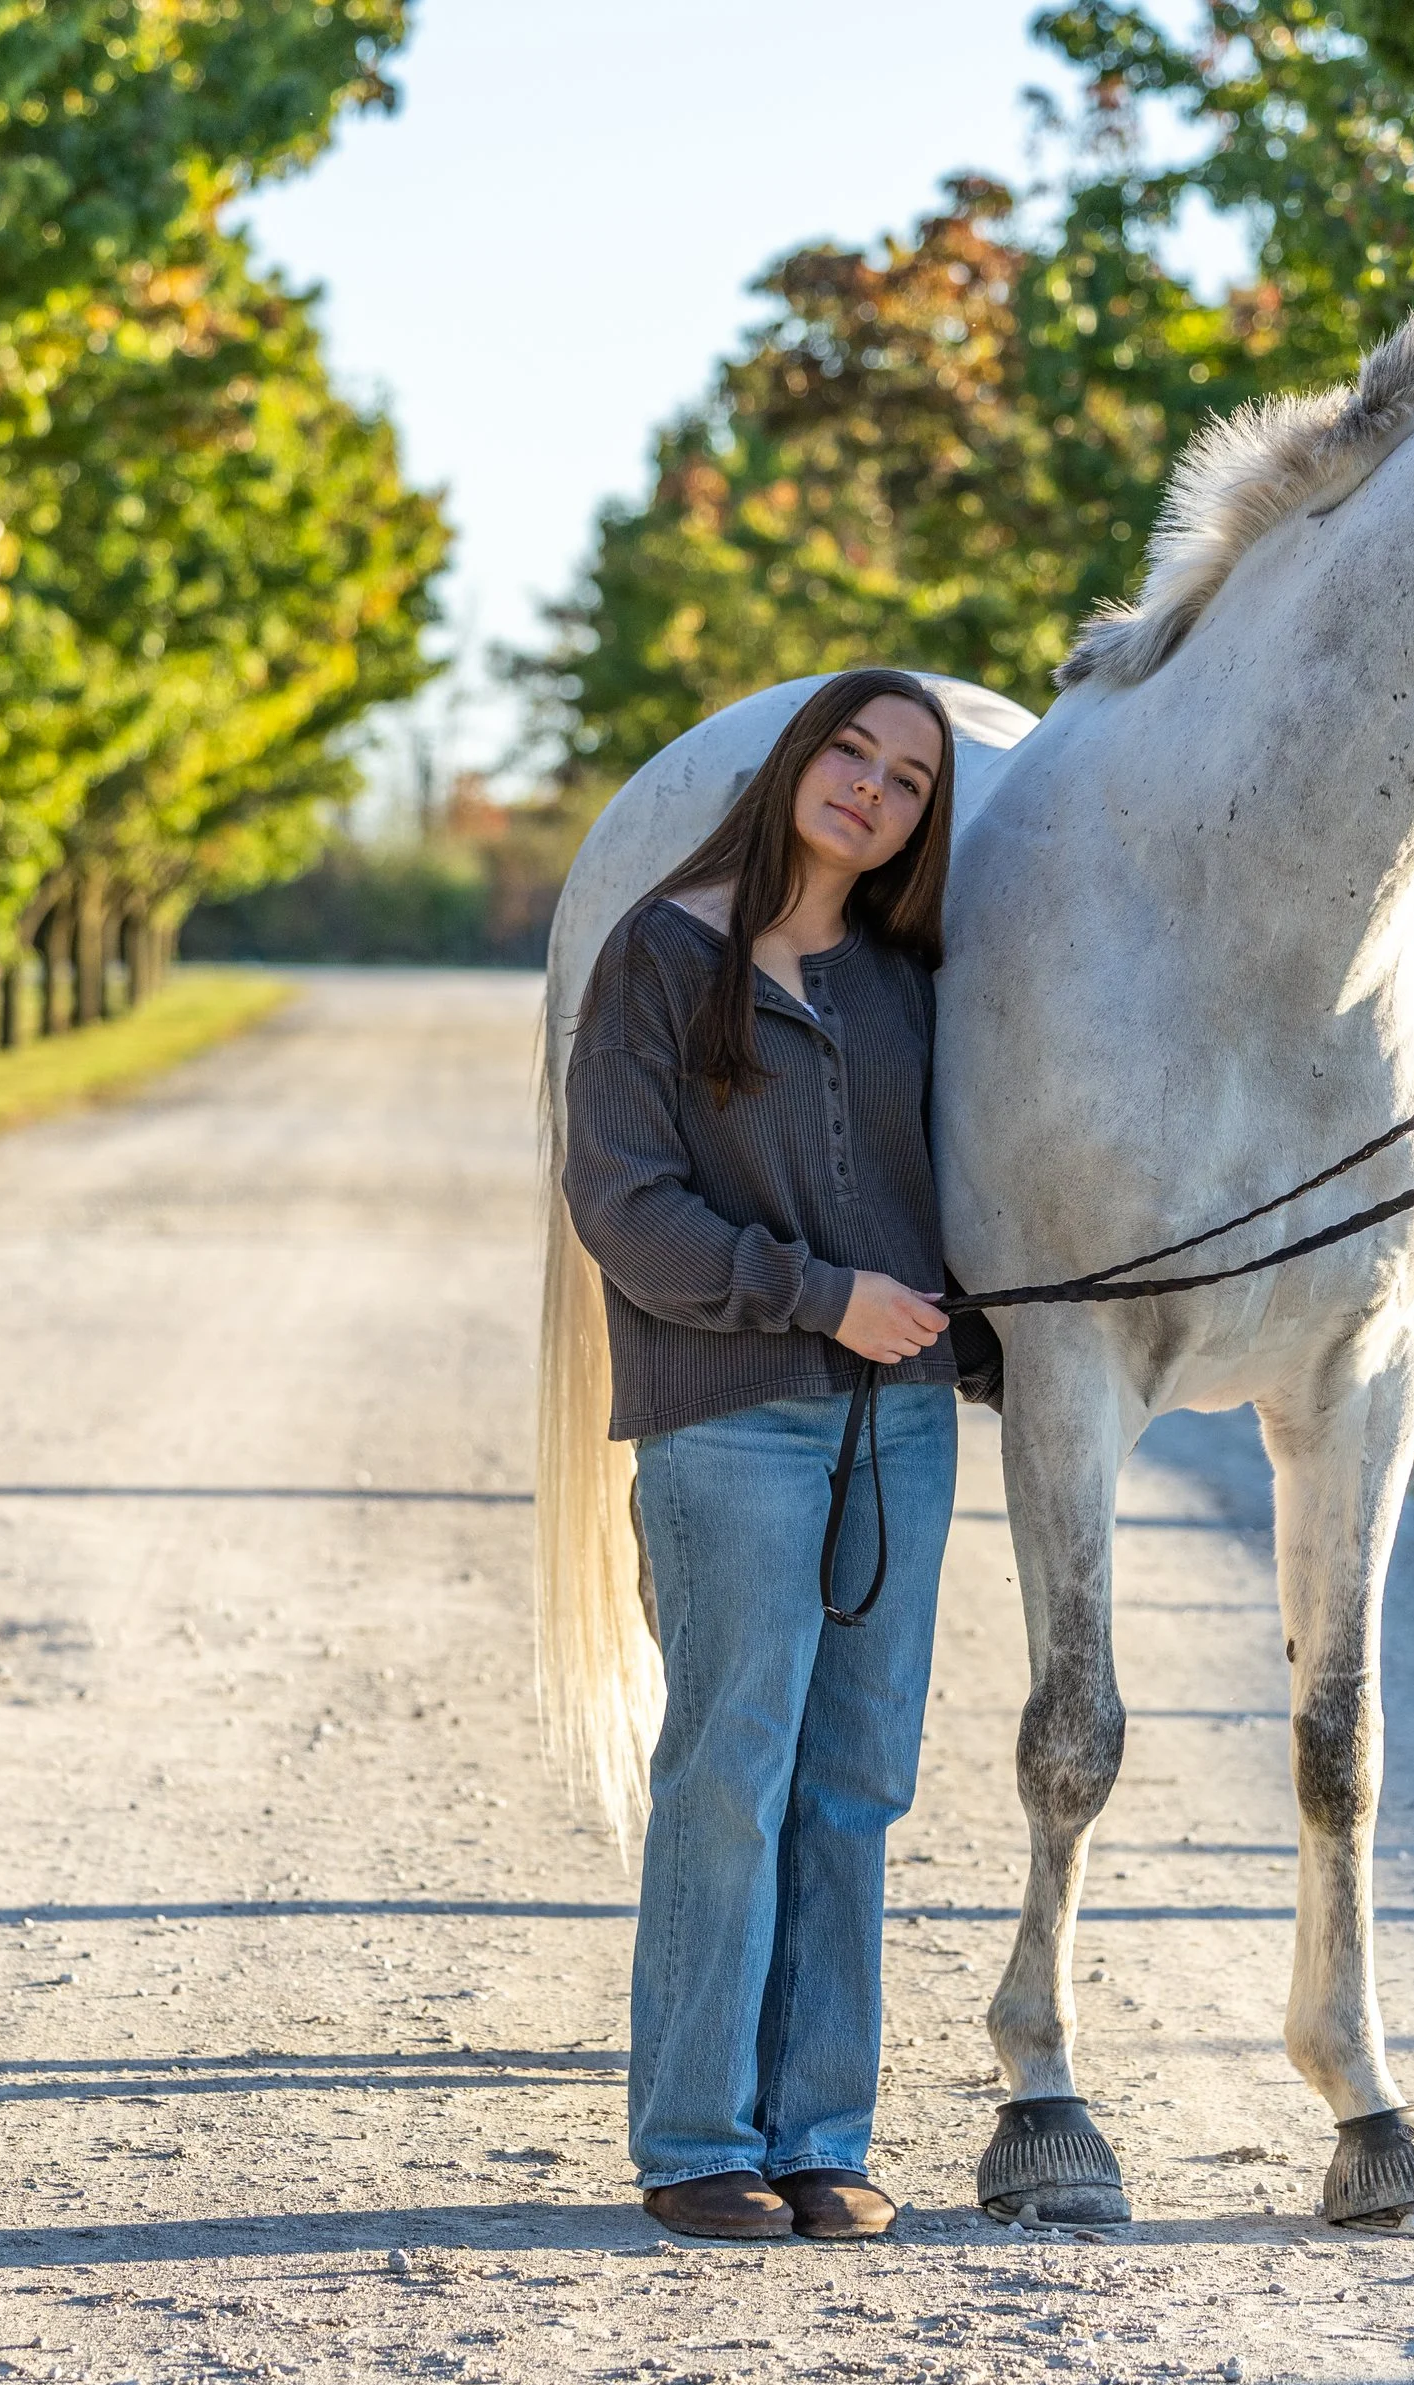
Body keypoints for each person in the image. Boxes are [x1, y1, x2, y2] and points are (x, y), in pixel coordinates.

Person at [562, 669, 960, 2242]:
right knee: (730, 1771)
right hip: (731, 1419)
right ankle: (694, 2142)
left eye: (909, 779)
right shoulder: (664, 953)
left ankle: (820, 2136)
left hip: (900, 1425)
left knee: (857, 1783)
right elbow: (623, 1205)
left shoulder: (904, 981)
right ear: (799, 760)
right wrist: (819, 1296)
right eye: (852, 752)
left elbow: (958, 1193)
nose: (872, 787)